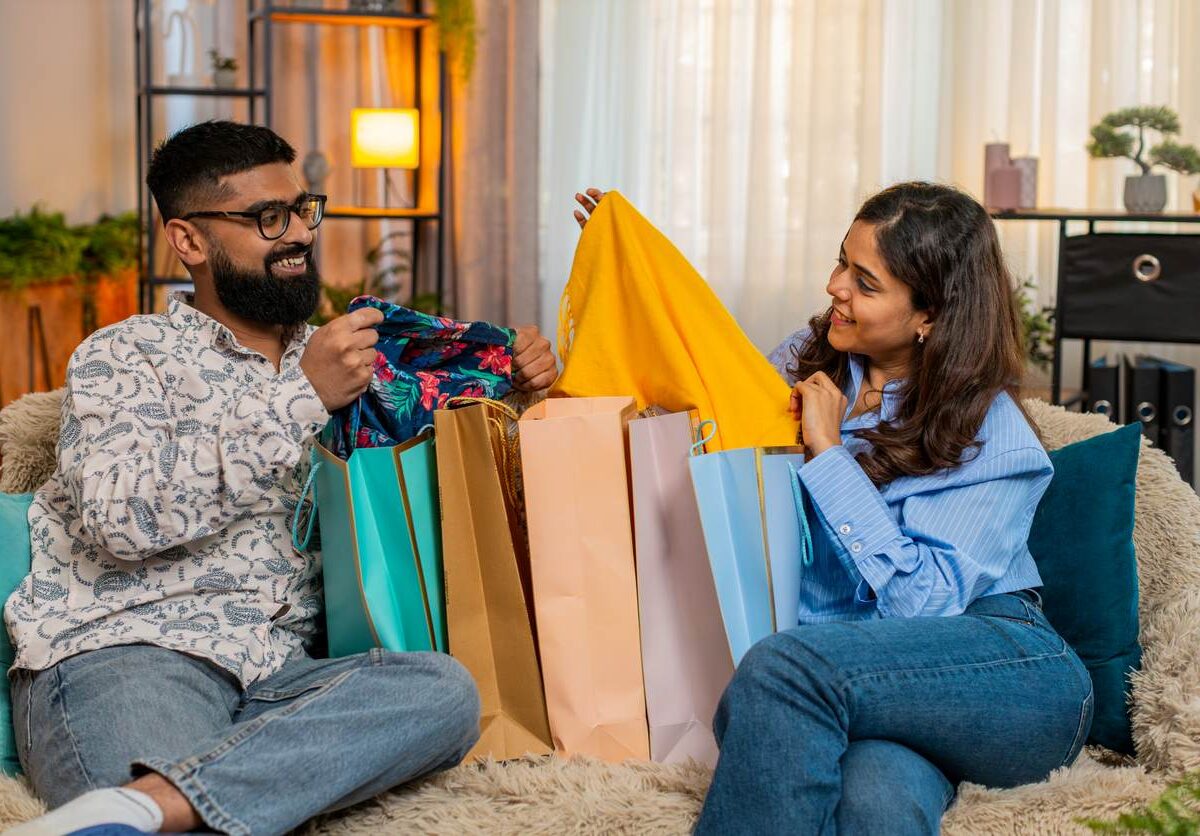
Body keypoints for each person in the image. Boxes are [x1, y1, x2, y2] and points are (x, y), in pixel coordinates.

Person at [6, 120, 558, 836]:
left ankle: (156, 804)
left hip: (280, 674)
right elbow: (120, 518)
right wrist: (302, 395)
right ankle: (171, 800)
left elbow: (441, 472)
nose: (299, 233)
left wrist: (516, 380)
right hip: (132, 653)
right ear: (190, 241)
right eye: (268, 219)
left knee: (444, 691)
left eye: (303, 209)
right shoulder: (126, 355)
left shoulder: (356, 362)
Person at [574, 182, 1092, 834]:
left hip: (1005, 673)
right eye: (841, 262)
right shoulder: (806, 357)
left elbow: (920, 606)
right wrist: (629, 273)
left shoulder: (993, 433)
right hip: (866, 688)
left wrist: (826, 454)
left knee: (783, 666)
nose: (833, 286)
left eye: (865, 282)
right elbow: (703, 403)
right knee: (873, 799)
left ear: (929, 313)